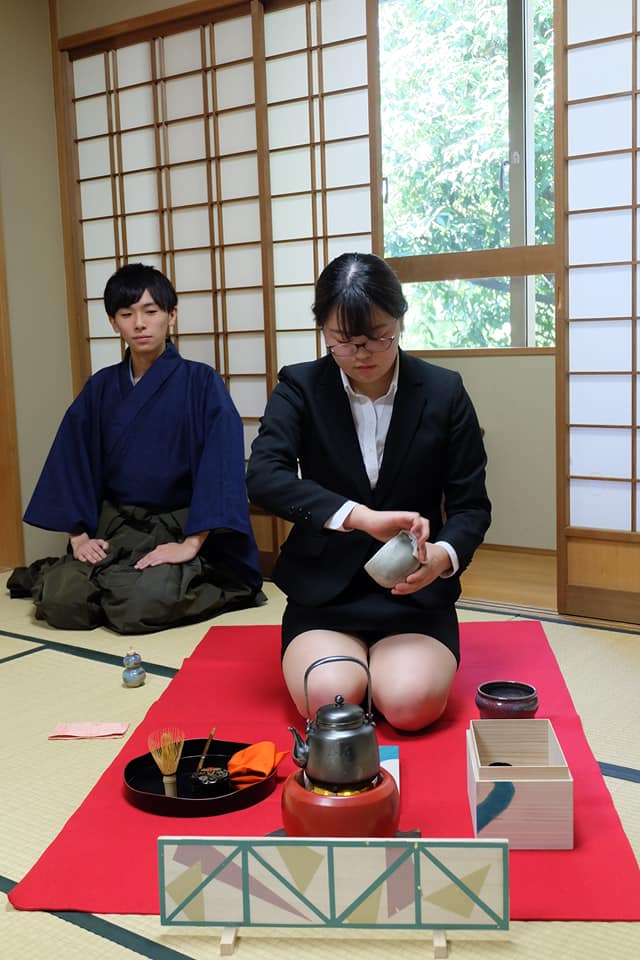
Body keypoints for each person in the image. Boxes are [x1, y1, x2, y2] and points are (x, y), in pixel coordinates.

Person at [246, 252, 490, 732]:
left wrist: (442, 557)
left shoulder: (444, 391)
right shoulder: (300, 385)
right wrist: (359, 516)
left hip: (415, 594)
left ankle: (386, 674)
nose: (361, 353)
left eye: (378, 336)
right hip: (324, 595)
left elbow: (471, 506)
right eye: (343, 340)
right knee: (329, 700)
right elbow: (264, 475)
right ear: (322, 329)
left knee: (410, 705)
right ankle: (358, 670)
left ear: (400, 318)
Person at [9, 263, 263, 634]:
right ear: (114, 323)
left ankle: (185, 580)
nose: (140, 324)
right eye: (127, 314)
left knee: (138, 605)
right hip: (113, 526)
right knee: (62, 603)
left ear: (171, 315)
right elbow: (71, 459)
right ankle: (104, 582)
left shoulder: (201, 382)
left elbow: (220, 468)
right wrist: (79, 537)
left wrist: (190, 545)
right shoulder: (101, 387)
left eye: (151, 311)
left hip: (179, 526)